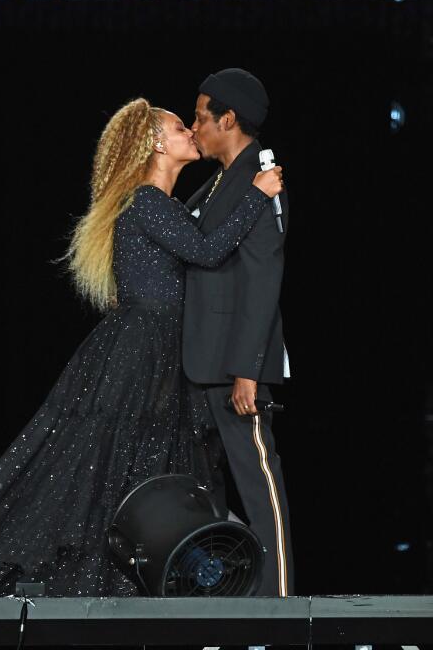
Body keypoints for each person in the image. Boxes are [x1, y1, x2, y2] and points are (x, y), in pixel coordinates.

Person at [0, 97, 283, 596]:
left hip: (162, 349)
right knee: (113, 463)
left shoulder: (163, 204)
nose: (190, 129)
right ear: (155, 143)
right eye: (177, 126)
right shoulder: (147, 201)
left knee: (146, 465)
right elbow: (208, 252)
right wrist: (256, 193)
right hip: (142, 349)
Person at [183, 68, 295, 597]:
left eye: (201, 116)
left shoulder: (261, 176)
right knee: (206, 491)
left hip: (235, 367)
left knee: (258, 483)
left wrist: (247, 370)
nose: (194, 125)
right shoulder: (222, 180)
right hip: (201, 361)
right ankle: (229, 596)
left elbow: (261, 278)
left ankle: (281, 603)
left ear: (228, 119)